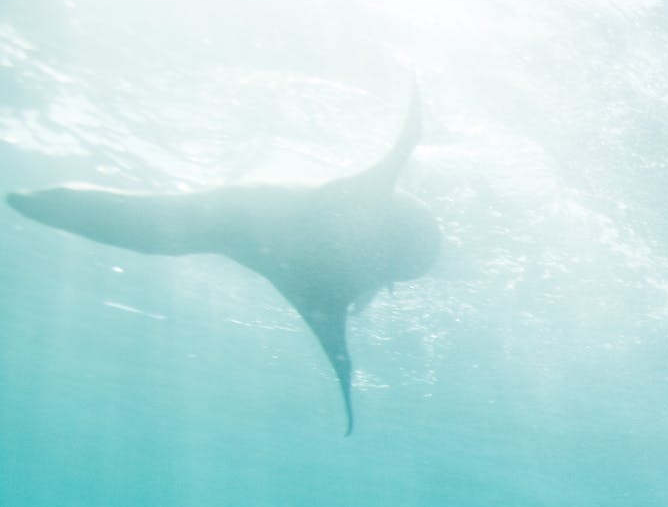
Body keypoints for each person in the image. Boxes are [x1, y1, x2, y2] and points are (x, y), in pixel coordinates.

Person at [5, 88, 439, 435]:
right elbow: (339, 351)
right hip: (265, 236)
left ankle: (40, 205)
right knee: (164, 226)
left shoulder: (328, 250)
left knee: (164, 226)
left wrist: (411, 124)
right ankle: (40, 205)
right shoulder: (325, 275)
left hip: (249, 228)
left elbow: (403, 149)